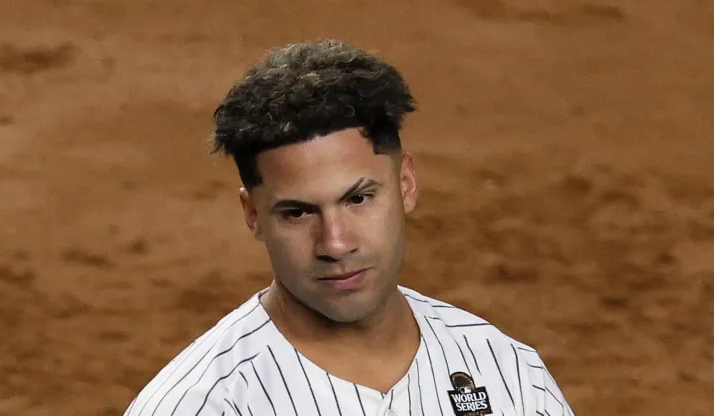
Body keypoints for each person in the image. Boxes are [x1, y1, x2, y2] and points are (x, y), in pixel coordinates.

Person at [123, 38, 575, 416]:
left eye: (358, 199)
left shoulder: (508, 376)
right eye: (297, 213)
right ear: (253, 215)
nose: (335, 244)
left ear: (406, 184)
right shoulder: (202, 404)